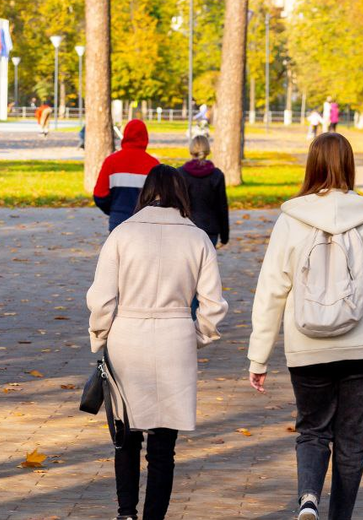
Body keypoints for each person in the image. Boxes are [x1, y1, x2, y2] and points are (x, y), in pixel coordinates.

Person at [247, 133, 363, 520]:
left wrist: (259, 356)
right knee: (353, 441)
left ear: (312, 164)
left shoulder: (291, 219)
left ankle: (308, 498)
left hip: (307, 347)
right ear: (350, 164)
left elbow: (271, 290)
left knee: (312, 430)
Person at [87, 165, 228, 520]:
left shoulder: (122, 233)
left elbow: (102, 298)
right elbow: (212, 306)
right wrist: (197, 336)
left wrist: (100, 336)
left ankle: (125, 512)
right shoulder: (197, 238)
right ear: (182, 192)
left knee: (126, 437)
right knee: (163, 447)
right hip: (174, 339)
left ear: (146, 192)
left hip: (127, 337)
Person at [92, 119, 159, 231]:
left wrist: (113, 210)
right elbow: (160, 198)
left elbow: (99, 195)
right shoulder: (153, 164)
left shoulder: (111, 161)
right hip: (146, 223)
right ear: (145, 137)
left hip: (118, 221)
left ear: (125, 136)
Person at [178, 135, 229, 248]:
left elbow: (175, 204)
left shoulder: (180, 174)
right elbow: (222, 207)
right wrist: (224, 236)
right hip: (210, 229)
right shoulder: (216, 175)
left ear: (191, 150)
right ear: (207, 151)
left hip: (186, 227)